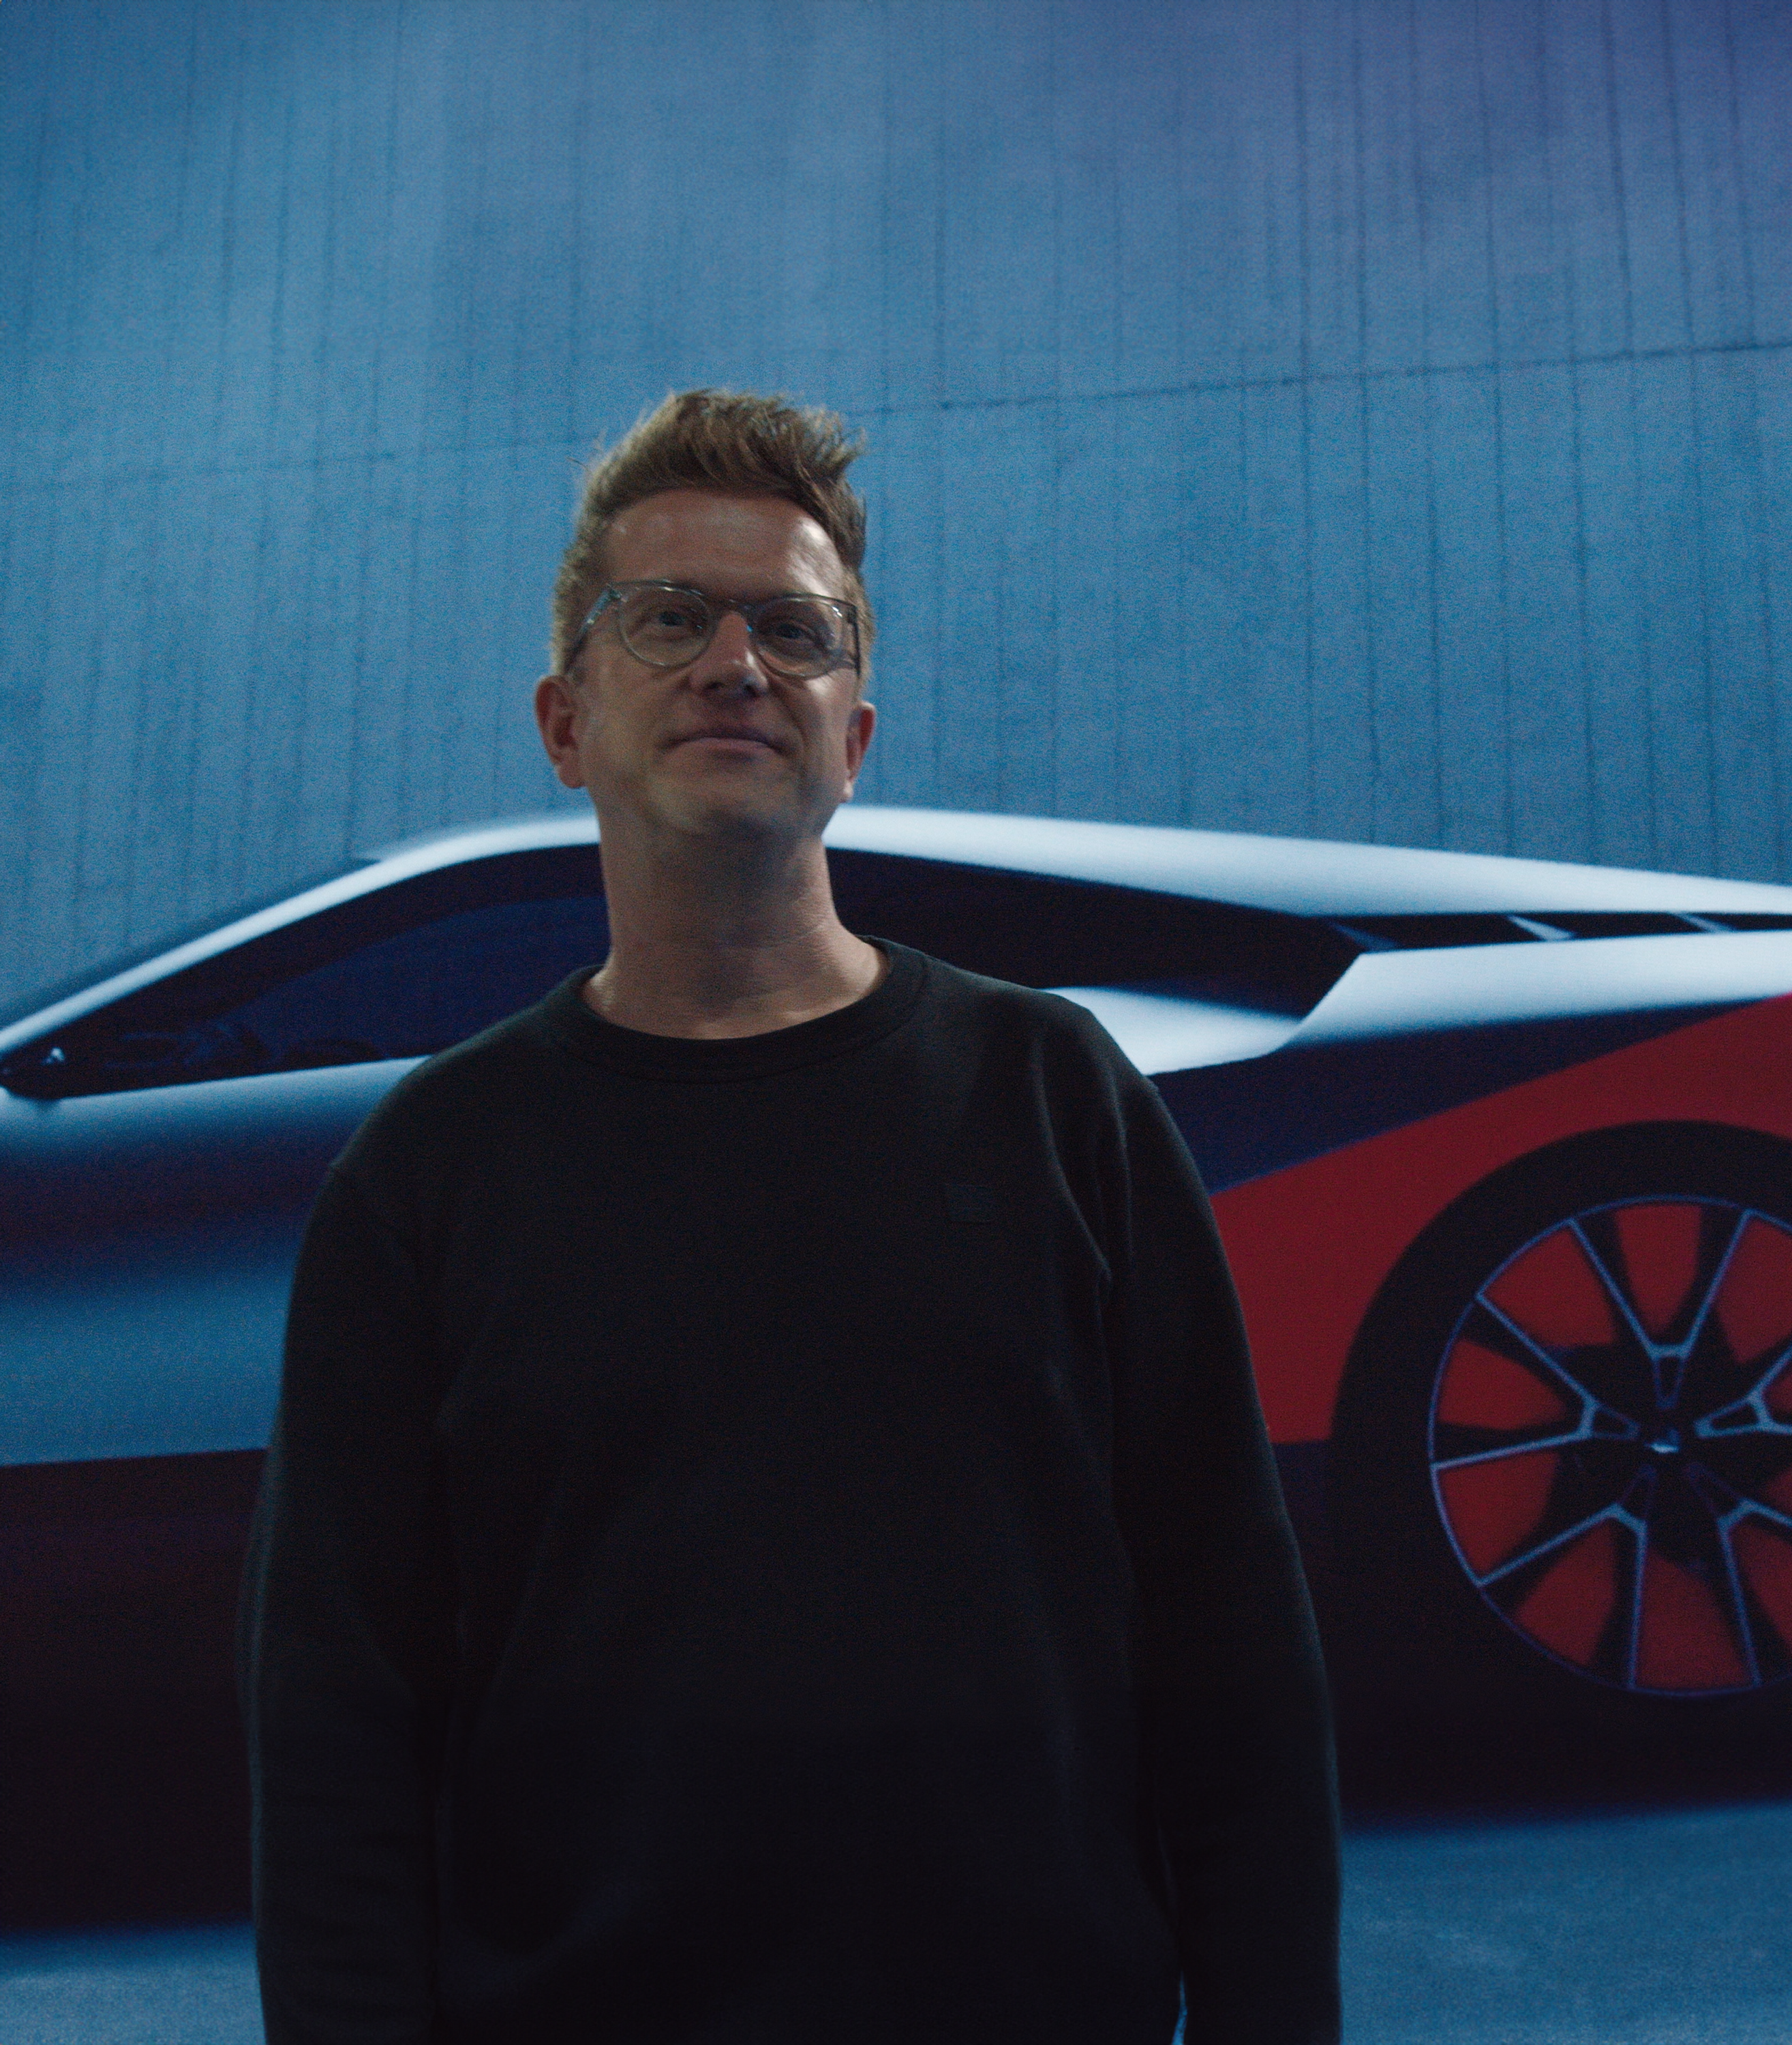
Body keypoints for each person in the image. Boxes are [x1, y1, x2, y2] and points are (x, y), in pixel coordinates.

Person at [236, 389, 1343, 2044]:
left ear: (855, 733)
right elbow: (337, 1738)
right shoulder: (429, 1173)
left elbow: (1231, 1662)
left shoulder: (1056, 1098)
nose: (735, 663)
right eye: (667, 617)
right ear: (564, 721)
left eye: (795, 629)